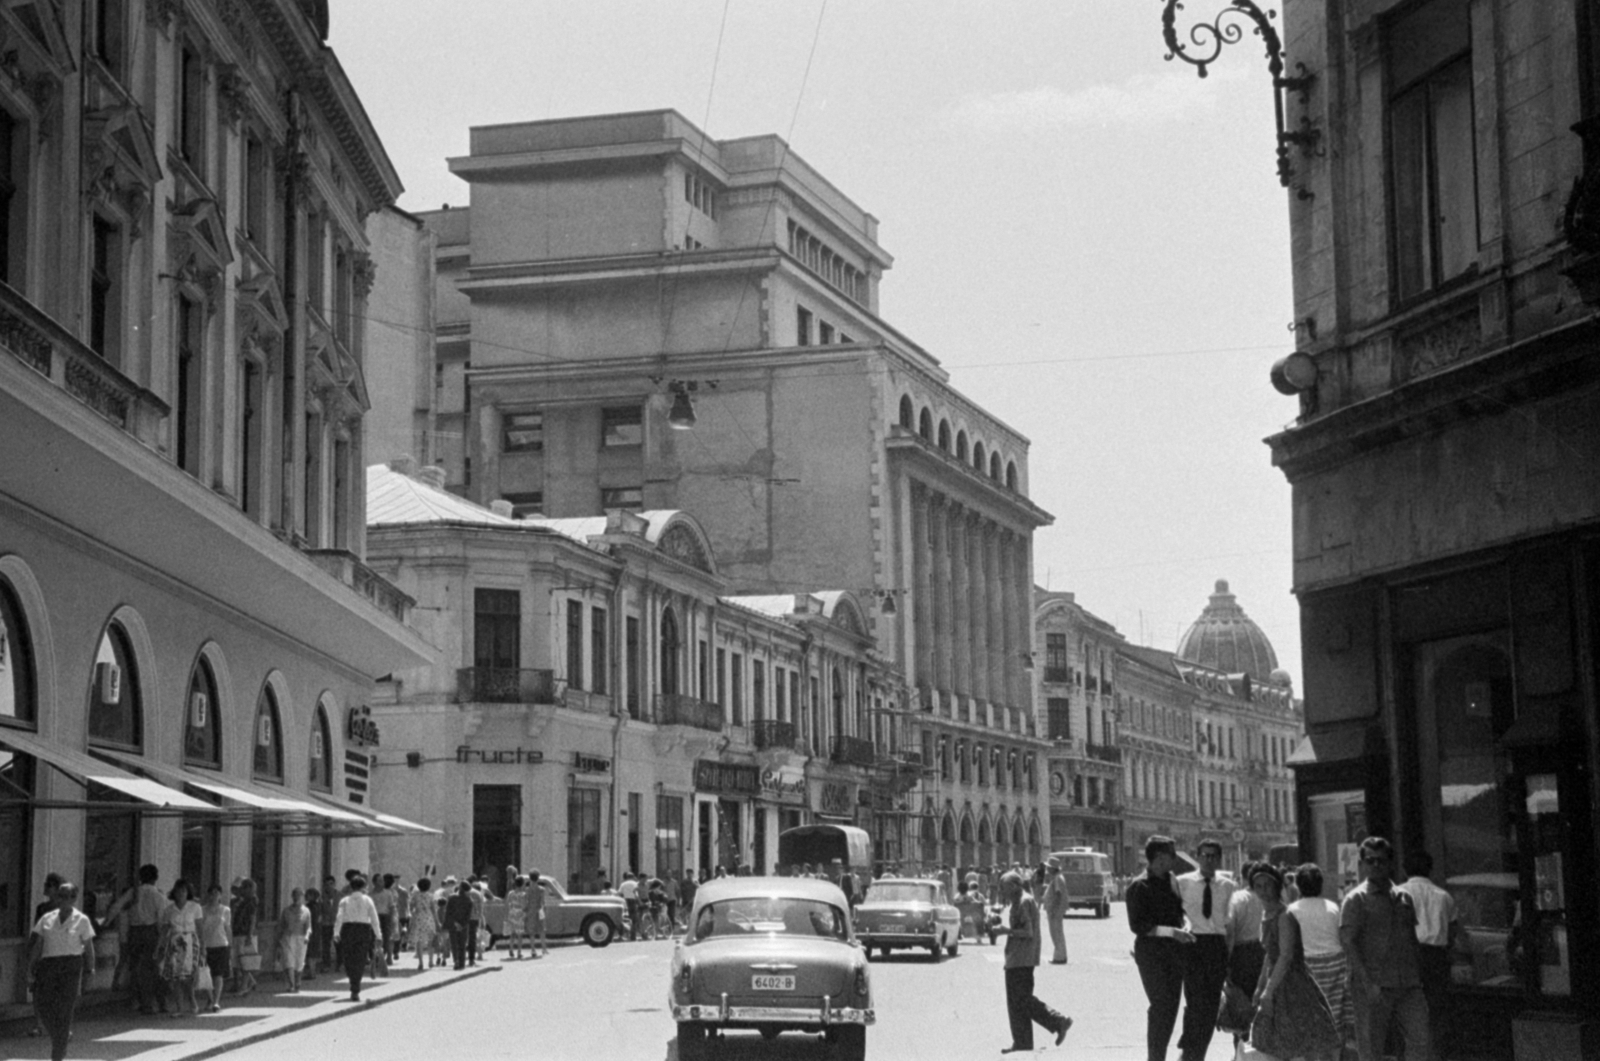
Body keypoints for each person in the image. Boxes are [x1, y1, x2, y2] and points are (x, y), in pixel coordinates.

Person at [1340, 837, 1431, 1061]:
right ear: (1361, 864)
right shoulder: (1355, 899)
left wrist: (1419, 975)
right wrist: (1367, 984)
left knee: (1422, 1040)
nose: (1376, 865)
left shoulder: (1404, 897)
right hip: (1374, 985)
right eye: (1370, 860)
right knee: (1371, 1048)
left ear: (1391, 863)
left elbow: (1412, 939)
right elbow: (1348, 943)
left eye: (1381, 860)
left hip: (1408, 983)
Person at [1251, 864, 1341, 1061]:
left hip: (1293, 985)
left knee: (1303, 1044)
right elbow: (1270, 954)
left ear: (1277, 886)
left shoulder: (1284, 916)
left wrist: (1268, 991)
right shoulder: (1266, 914)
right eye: (1258, 886)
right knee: (1279, 1045)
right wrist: (1260, 986)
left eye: (1267, 885)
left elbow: (1286, 956)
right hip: (1276, 983)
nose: (1263, 891)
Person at [1126, 835, 1196, 1061]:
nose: (1175, 860)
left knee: (1171, 1007)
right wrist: (1172, 932)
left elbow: (1179, 910)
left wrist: (1186, 924)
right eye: (1171, 855)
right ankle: (1155, 1057)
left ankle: (1159, 1055)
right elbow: (1138, 926)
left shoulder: (1171, 879)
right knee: (1160, 1005)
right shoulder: (1139, 886)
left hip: (1175, 952)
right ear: (1158, 857)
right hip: (1151, 954)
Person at [990, 870, 1072, 1053]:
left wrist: (1006, 931)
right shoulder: (1019, 901)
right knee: (1017, 1003)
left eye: (1003, 888)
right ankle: (1022, 1043)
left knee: (1022, 1000)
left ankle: (1058, 1021)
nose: (1002, 892)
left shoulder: (1024, 902)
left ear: (1014, 886)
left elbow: (1028, 932)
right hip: (1018, 958)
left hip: (1021, 959)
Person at [1174, 840, 1234, 1061]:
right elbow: (1175, 913)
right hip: (1193, 944)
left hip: (1216, 945)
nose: (1209, 860)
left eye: (1213, 856)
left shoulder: (1228, 886)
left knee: (1210, 1006)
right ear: (1197, 857)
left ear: (1219, 859)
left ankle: (1197, 1051)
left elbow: (1229, 922)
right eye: (1205, 855)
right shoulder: (1182, 883)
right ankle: (1190, 1049)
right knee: (1195, 1001)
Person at [27, 881, 96, 1061]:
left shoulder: (82, 920)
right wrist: (30, 969)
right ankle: (60, 1036)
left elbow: (88, 946)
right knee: (43, 1004)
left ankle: (58, 1052)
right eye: (61, 896)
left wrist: (91, 967)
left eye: (69, 896)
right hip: (48, 965)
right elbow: (38, 945)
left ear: (74, 899)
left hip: (70, 966)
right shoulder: (47, 918)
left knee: (65, 1009)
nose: (64, 900)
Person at [1398, 849, 1457, 1058]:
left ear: (1405, 870)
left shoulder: (1397, 894)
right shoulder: (1444, 897)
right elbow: (1453, 930)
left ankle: (1412, 1052)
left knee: (1407, 1006)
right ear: (1430, 870)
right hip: (1436, 957)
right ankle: (1436, 1053)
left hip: (1407, 956)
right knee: (1437, 1008)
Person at [1289, 863, 1352, 1046]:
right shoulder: (1333, 907)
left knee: (1308, 1017)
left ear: (1298, 885)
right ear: (1321, 884)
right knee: (1334, 1017)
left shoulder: (1291, 910)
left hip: (1306, 968)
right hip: (1335, 964)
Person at [108, 863, 168, 1014]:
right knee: (153, 968)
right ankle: (159, 1002)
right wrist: (163, 939)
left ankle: (140, 1001)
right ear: (156, 878)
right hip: (151, 932)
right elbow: (161, 919)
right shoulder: (159, 896)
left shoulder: (133, 892)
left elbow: (116, 907)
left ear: (141, 878)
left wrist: (106, 922)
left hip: (134, 932)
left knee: (135, 968)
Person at [1222, 861, 1266, 1037]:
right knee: (1262, 1000)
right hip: (1264, 953)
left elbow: (1230, 933)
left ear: (1244, 877)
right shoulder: (1271, 898)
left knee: (1240, 1002)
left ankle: (1242, 1046)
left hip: (1242, 956)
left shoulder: (1237, 899)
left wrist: (1225, 963)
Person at [158, 879, 202, 1017]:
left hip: (190, 941)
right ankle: (179, 1007)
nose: (181, 893)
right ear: (174, 893)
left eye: (184, 890)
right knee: (175, 977)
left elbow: (200, 929)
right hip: (175, 942)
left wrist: (203, 947)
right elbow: (165, 930)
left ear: (188, 892)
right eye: (178, 891)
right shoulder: (169, 910)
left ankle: (192, 1000)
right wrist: (159, 946)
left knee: (188, 976)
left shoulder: (195, 907)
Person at [333, 875, 381, 1002]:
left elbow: (339, 917)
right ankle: (356, 987)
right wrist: (378, 934)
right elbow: (374, 919)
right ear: (364, 887)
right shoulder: (368, 900)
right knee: (360, 958)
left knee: (348, 957)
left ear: (351, 886)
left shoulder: (344, 901)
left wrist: (336, 932)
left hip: (348, 930)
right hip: (363, 929)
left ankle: (353, 983)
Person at [197, 884, 231, 1013]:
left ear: (220, 896)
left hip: (221, 944)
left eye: (216, 893)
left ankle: (216, 1001)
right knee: (207, 975)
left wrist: (230, 945)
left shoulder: (225, 910)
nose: (213, 896)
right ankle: (210, 999)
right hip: (206, 945)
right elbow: (199, 928)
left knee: (218, 974)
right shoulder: (201, 910)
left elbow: (227, 928)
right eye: (211, 893)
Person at [277, 888, 312, 992]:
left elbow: (309, 926)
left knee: (299, 962)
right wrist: (278, 941)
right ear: (292, 896)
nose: (296, 897)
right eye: (295, 895)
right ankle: (291, 985)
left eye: (299, 895)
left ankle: (298, 982)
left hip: (301, 938)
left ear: (302, 897)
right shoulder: (286, 910)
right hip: (288, 938)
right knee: (289, 961)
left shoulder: (306, 911)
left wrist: (307, 936)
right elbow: (281, 926)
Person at [229, 878, 259, 996]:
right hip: (237, 932)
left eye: (244, 888)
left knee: (245, 961)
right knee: (238, 961)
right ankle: (250, 982)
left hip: (245, 934)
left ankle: (244, 986)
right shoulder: (241, 901)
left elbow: (252, 918)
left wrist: (249, 935)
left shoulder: (252, 901)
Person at [1042, 857, 1068, 964]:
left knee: (1056, 933)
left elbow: (1058, 895)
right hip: (1057, 909)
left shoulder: (1057, 878)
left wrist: (1053, 908)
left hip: (1055, 910)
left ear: (1053, 868)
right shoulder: (1058, 877)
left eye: (1048, 868)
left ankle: (1059, 957)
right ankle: (1060, 955)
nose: (1047, 870)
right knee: (1058, 933)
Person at [408, 877, 439, 970]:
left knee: (419, 941)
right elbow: (434, 909)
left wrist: (414, 912)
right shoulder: (431, 896)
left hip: (418, 918)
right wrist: (437, 922)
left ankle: (420, 962)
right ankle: (430, 961)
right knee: (430, 940)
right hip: (429, 918)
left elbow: (410, 907)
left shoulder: (415, 896)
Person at [443, 880, 474, 971]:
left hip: (453, 924)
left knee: (454, 943)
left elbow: (448, 912)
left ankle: (456, 960)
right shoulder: (469, 900)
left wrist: (449, 924)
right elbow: (468, 916)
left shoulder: (452, 898)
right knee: (462, 944)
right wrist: (462, 925)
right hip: (463, 925)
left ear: (460, 887)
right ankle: (462, 963)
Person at [316, 877, 338, 973]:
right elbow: (319, 910)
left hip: (338, 924)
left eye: (331, 884)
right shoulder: (321, 898)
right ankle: (326, 964)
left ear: (334, 884)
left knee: (339, 945)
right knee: (326, 945)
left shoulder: (340, 896)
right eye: (327, 884)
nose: (329, 886)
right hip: (326, 924)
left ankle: (339, 963)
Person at [503, 875, 529, 958]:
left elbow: (508, 903)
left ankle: (511, 949)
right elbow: (524, 905)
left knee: (512, 934)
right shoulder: (523, 895)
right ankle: (519, 952)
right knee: (520, 935)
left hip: (512, 914)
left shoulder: (511, 893)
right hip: (520, 915)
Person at [528, 870, 549, 958]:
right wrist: (544, 910)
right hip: (539, 910)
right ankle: (544, 948)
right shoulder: (541, 889)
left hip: (531, 910)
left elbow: (527, 901)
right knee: (541, 930)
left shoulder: (527, 890)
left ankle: (533, 949)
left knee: (532, 931)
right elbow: (542, 902)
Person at [465, 876, 486, 965]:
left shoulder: (463, 893)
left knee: (463, 937)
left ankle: (461, 957)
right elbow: (481, 908)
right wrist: (481, 918)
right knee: (472, 938)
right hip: (474, 918)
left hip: (464, 918)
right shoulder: (478, 894)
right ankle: (471, 959)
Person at [619, 871, 640, 940]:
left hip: (625, 902)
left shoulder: (623, 884)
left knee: (625, 919)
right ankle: (633, 936)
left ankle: (622, 935)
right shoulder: (635, 883)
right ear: (633, 877)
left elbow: (620, 893)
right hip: (633, 901)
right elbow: (637, 893)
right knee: (634, 919)